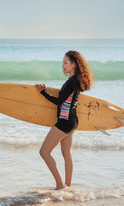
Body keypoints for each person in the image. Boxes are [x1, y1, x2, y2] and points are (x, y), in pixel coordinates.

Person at [35, 50, 94, 190]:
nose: (63, 66)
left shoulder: (70, 82)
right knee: (67, 154)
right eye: (63, 63)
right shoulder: (76, 81)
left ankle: (60, 185)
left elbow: (59, 101)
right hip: (72, 122)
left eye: (66, 63)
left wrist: (42, 92)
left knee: (44, 152)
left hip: (64, 122)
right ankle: (68, 185)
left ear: (74, 65)